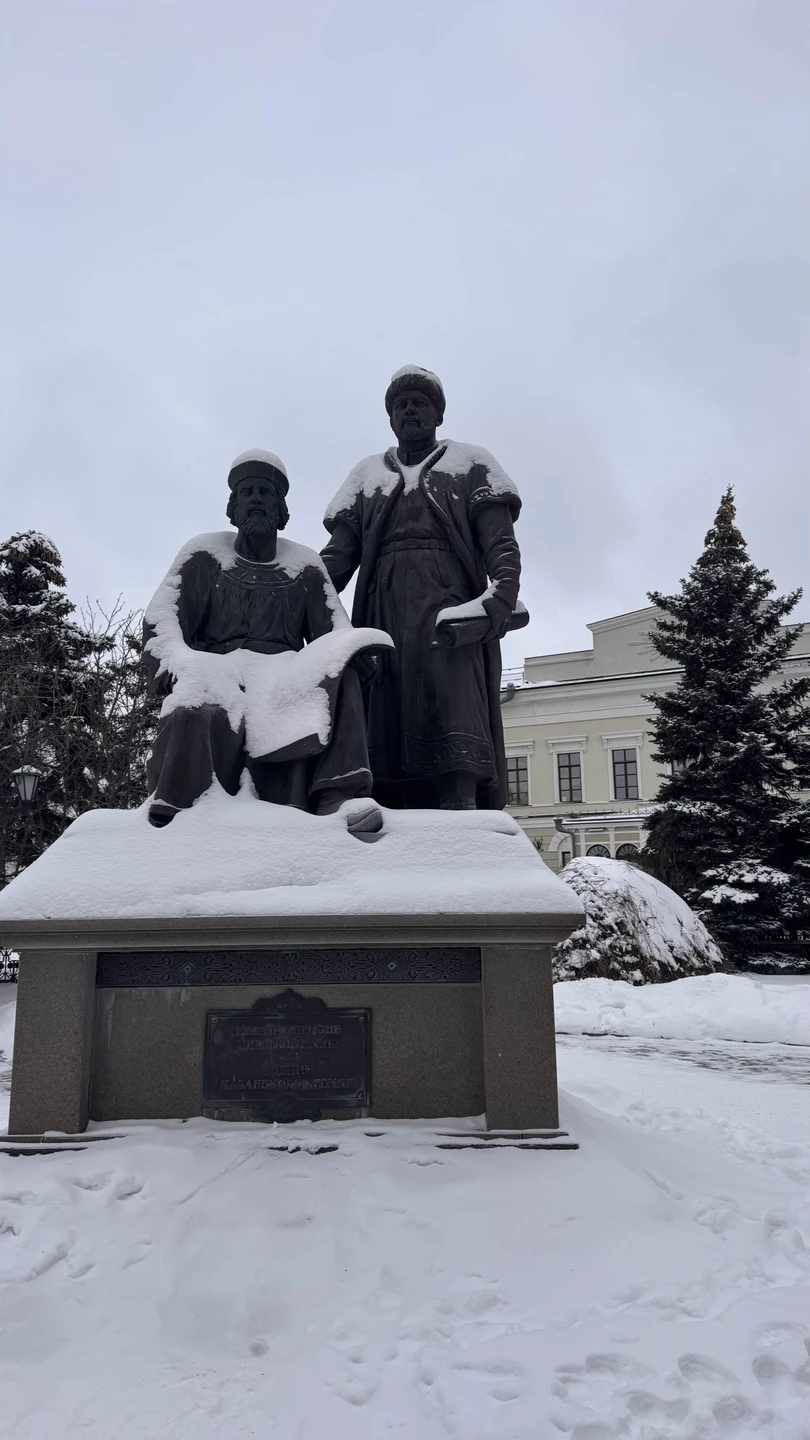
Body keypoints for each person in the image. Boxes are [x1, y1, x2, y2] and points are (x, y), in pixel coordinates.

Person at [143, 448, 390, 831]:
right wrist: (178, 663)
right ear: (233, 505)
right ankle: (179, 810)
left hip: (284, 674)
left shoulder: (306, 566)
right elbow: (162, 624)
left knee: (344, 676)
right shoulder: (203, 555)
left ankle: (340, 797)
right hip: (216, 668)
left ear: (281, 508)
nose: (256, 499)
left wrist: (353, 652)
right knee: (195, 706)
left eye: (265, 492)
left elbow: (334, 632)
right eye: (247, 492)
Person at [321, 366, 523, 810]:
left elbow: (500, 546)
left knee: (451, 689)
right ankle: (384, 797)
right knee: (385, 692)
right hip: (384, 604)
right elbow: (339, 555)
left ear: (438, 414)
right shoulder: (368, 474)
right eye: (400, 405)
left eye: (419, 402)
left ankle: (460, 796)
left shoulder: (470, 464)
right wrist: (298, 592)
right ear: (391, 418)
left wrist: (499, 600)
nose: (409, 410)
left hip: (449, 601)